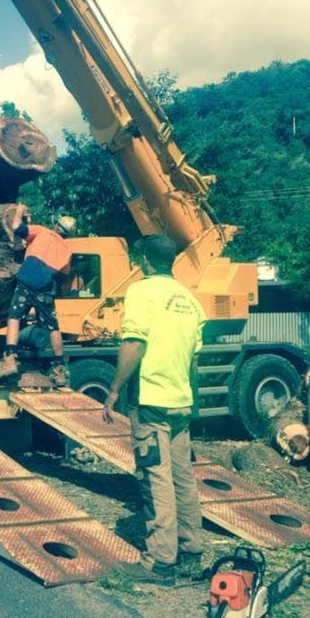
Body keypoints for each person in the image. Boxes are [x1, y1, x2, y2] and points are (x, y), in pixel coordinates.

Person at [103, 235, 205, 584]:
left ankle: (160, 562)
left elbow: (134, 343)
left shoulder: (141, 292)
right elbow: (193, 361)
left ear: (144, 258)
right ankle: (191, 552)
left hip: (150, 400)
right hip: (180, 400)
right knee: (182, 478)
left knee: (155, 477)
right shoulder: (190, 301)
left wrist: (115, 388)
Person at [0, 205, 76, 386]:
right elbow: (64, 278)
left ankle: (9, 359)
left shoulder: (42, 231)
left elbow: (17, 227)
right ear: (68, 235)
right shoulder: (67, 251)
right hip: (45, 288)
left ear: (56, 226)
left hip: (26, 281)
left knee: (14, 317)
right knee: (53, 327)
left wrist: (21, 210)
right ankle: (59, 368)